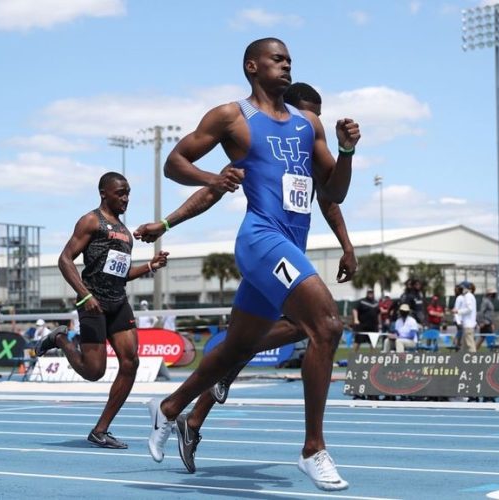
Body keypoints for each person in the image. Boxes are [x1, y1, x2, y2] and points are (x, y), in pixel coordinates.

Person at [137, 39, 360, 491]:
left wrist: (347, 152)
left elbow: (332, 194)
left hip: (290, 243)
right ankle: (313, 448)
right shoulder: (232, 117)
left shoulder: (308, 123)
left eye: (290, 60)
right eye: (278, 59)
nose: (286, 65)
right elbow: (174, 162)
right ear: (252, 66)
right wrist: (213, 177)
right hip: (261, 240)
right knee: (327, 326)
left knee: (239, 348)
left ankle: (169, 407)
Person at [36, 172, 169, 450]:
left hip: (118, 302)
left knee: (130, 362)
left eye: (128, 193)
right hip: (93, 303)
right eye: (120, 193)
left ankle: (101, 430)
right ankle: (60, 338)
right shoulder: (91, 221)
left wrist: (150, 266)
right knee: (94, 372)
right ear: (104, 193)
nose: (126, 198)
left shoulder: (124, 232)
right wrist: (85, 297)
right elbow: (65, 260)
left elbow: (120, 274)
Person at [455, 282, 478, 352]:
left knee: (471, 347)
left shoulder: (468, 296)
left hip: (468, 326)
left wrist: (458, 311)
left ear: (465, 288)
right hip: (468, 325)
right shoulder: (470, 296)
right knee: (463, 348)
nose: (460, 289)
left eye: (461, 288)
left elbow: (469, 309)